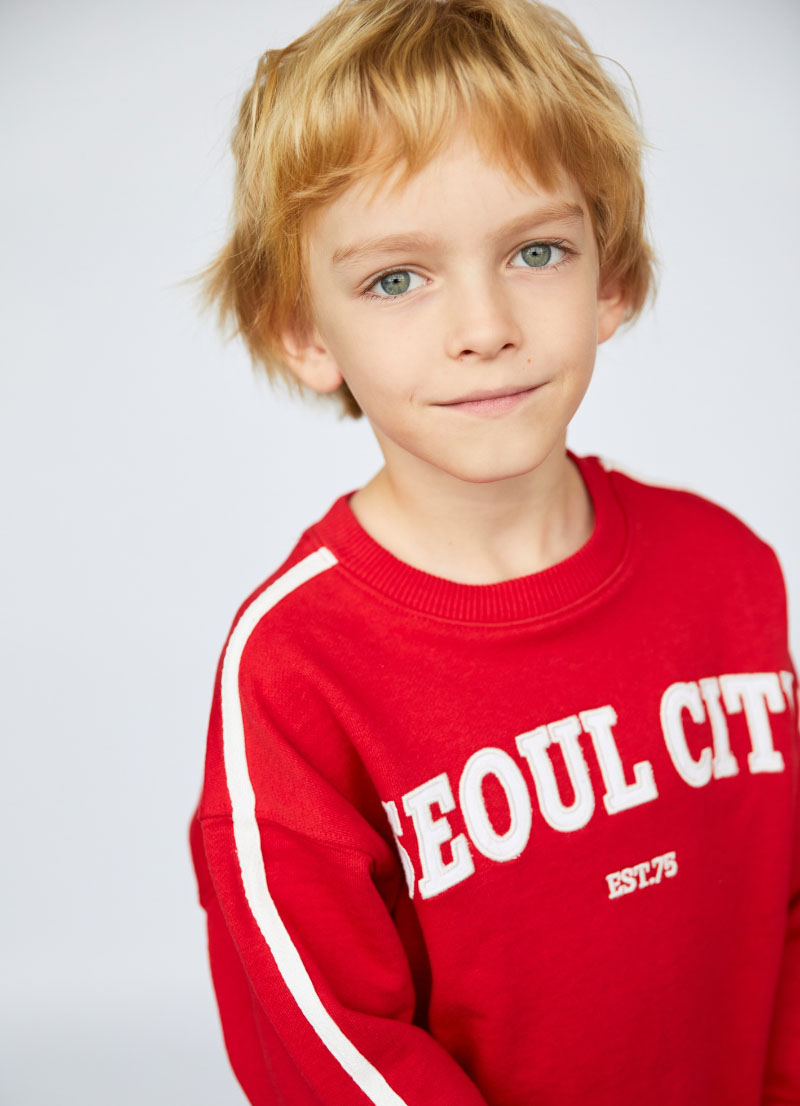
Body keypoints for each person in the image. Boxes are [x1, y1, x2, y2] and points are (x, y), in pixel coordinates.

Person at [188, 0, 799, 1102]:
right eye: (396, 277)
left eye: (534, 251)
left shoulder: (727, 568)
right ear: (306, 332)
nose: (484, 326)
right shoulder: (295, 667)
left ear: (609, 278)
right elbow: (331, 1045)